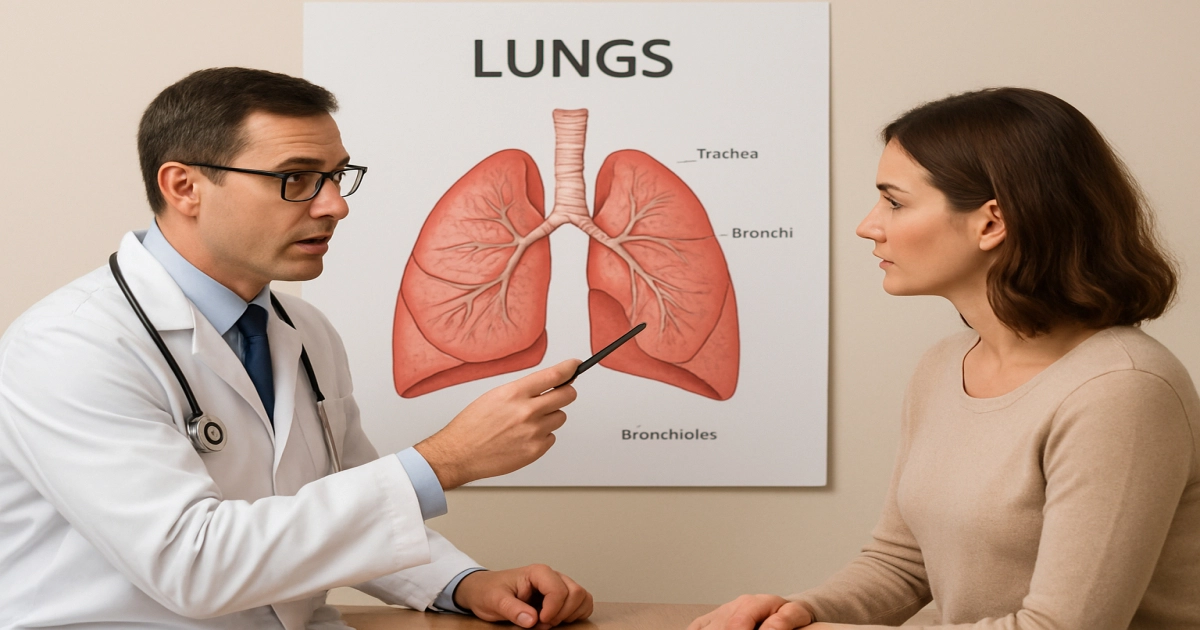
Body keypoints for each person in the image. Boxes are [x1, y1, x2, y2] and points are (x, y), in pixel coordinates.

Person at [0, 67, 593, 630]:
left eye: (337, 176)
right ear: (184, 187)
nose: (335, 204)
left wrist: (462, 583)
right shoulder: (70, 345)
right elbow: (192, 564)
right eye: (298, 178)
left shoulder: (303, 330)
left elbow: (342, 505)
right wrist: (444, 462)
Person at [690, 88, 1200, 629]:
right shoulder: (943, 366)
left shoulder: (1122, 390)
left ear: (991, 222)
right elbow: (903, 562)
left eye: (894, 201)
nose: (869, 225)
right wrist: (797, 613)